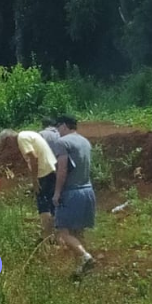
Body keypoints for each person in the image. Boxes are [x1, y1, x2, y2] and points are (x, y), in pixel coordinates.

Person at [52, 114, 96, 274]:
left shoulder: (62, 143)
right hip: (87, 190)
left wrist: (56, 193)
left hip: (71, 193)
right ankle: (81, 269)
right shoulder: (85, 141)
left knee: (63, 232)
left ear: (64, 125)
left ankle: (86, 257)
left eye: (58, 127)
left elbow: (62, 170)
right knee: (79, 232)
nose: (57, 131)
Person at [0, 128, 57, 240]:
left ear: (8, 139)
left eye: (7, 144)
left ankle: (48, 235)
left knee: (43, 203)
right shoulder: (27, 134)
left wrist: (34, 180)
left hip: (44, 172)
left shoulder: (22, 138)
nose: (10, 148)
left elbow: (33, 158)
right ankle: (55, 233)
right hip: (50, 169)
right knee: (51, 202)